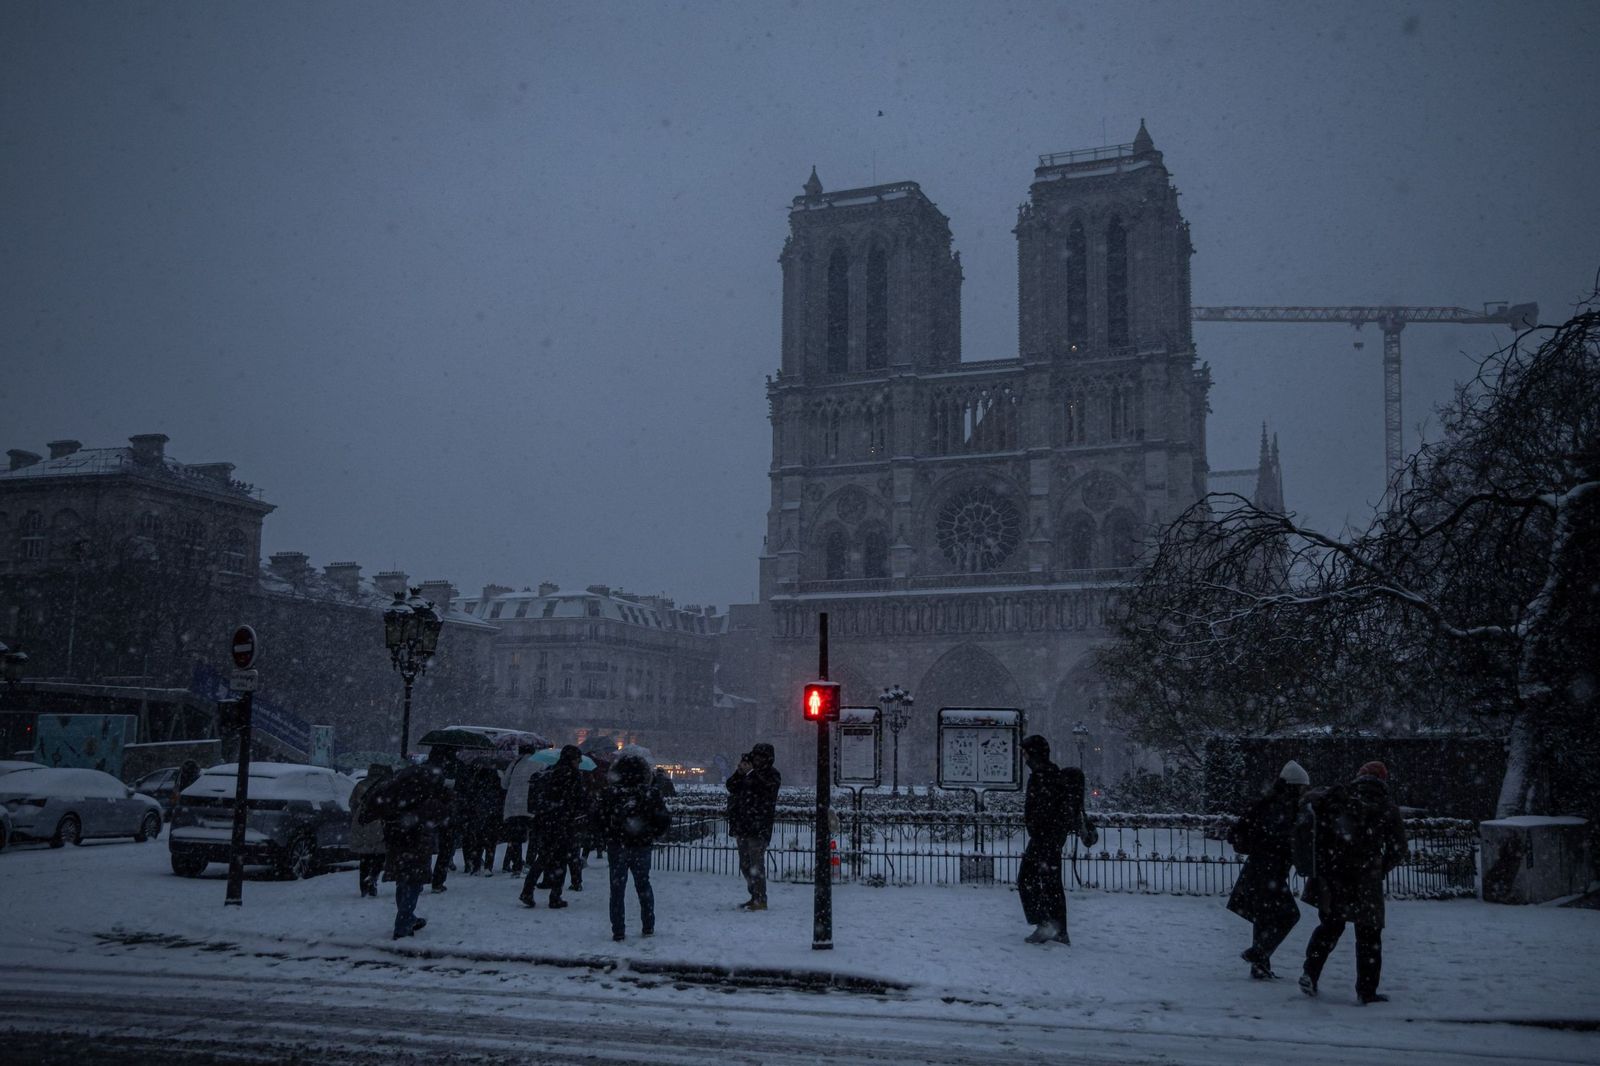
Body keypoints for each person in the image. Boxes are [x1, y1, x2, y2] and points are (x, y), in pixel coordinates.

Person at [1295, 761, 1408, 1004]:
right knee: (1369, 937)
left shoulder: (1337, 798)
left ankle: (1310, 973)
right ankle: (1366, 992)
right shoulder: (1387, 808)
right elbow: (1398, 848)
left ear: (1359, 776)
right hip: (1366, 879)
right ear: (1383, 780)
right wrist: (1380, 868)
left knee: (1329, 928)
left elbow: (1309, 811)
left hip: (1334, 875)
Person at [1226, 760, 1310, 979]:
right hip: (1269, 870)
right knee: (1289, 915)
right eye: (1302, 787)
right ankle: (1258, 953)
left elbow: (1242, 831)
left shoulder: (1267, 803)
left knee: (1264, 917)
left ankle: (1260, 967)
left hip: (1259, 867)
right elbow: (1281, 838)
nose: (1304, 791)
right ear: (1294, 786)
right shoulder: (1284, 807)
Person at [359, 759, 451, 940]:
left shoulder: (394, 792)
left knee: (403, 879)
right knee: (413, 881)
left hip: (396, 841)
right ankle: (403, 923)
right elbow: (438, 815)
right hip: (417, 842)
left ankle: (408, 916)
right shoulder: (426, 795)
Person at [596, 753, 672, 941]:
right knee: (643, 885)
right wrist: (650, 833)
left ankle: (618, 929)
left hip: (618, 844)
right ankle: (648, 925)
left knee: (617, 888)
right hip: (641, 845)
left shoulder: (610, 793)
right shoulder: (650, 793)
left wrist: (609, 833)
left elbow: (597, 819)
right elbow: (663, 819)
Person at [1018, 734, 1083, 945]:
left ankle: (1049, 926)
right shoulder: (1049, 774)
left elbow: (1042, 811)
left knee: (1032, 880)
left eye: (1026, 752)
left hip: (1044, 838)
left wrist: (1040, 830)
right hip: (1048, 838)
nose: (1024, 757)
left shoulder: (1042, 776)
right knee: (1049, 883)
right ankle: (1055, 928)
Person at [520, 745, 587, 909]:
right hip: (564, 822)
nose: (579, 763)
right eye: (578, 759)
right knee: (561, 860)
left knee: (543, 858)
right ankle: (555, 896)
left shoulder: (549, 773)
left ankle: (527, 890)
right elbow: (578, 801)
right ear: (573, 759)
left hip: (545, 822)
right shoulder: (573, 776)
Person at [726, 742, 780, 911]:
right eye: (755, 757)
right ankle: (754, 895)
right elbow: (731, 786)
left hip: (759, 826)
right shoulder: (748, 774)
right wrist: (739, 772)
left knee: (756, 863)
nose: (756, 760)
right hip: (743, 825)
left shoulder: (772, 775)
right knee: (745, 864)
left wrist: (750, 773)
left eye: (760, 757)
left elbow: (763, 788)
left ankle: (760, 897)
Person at [349, 763, 392, 898]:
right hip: (380, 822)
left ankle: (364, 885)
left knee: (365, 856)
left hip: (362, 822)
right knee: (380, 854)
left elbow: (352, 803)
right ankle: (373, 877)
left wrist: (359, 813)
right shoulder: (387, 785)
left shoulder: (361, 785)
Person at [500, 747, 543, 875]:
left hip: (513, 804)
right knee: (534, 836)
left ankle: (517, 866)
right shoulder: (540, 762)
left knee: (515, 838)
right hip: (532, 804)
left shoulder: (514, 763)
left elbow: (504, 784)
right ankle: (530, 862)